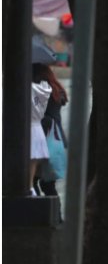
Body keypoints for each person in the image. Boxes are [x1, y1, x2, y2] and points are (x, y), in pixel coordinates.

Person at [33, 63, 68, 196]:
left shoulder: (41, 89)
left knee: (32, 181)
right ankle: (56, 215)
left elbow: (42, 116)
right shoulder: (55, 89)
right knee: (47, 184)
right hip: (56, 139)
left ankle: (38, 212)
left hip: (44, 138)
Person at [30, 64, 53, 196]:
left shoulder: (29, 89)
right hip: (38, 130)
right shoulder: (45, 89)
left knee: (28, 178)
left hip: (29, 130)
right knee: (31, 174)